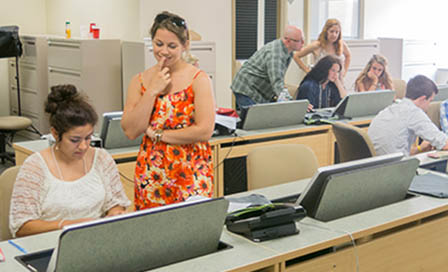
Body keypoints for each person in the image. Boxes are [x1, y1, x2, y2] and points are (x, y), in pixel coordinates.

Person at [121, 11, 215, 210]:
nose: (164, 51)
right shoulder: (139, 81)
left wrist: (158, 135)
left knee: (192, 231)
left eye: (172, 46)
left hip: (191, 171)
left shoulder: (198, 79)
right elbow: (130, 130)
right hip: (152, 173)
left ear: (185, 45)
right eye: (158, 44)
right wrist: (152, 91)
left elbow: (204, 130)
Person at [9, 85, 131, 238]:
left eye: (88, 138)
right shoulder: (35, 167)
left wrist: (115, 214)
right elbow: (21, 226)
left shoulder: (101, 158)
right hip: (51, 244)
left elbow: (116, 203)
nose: (83, 146)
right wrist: (65, 225)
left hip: (97, 240)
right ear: (55, 133)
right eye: (75, 140)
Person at [368, 75, 448, 156]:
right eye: (430, 101)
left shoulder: (389, 110)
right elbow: (445, 144)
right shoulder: (414, 113)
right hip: (396, 167)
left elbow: (396, 150)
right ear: (422, 99)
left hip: (377, 166)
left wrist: (419, 149)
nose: (429, 106)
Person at [231, 25, 304, 108]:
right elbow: (277, 82)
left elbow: (278, 80)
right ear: (288, 41)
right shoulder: (276, 54)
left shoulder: (288, 52)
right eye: (299, 40)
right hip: (246, 88)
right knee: (255, 119)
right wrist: (294, 105)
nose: (303, 43)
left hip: (258, 90)